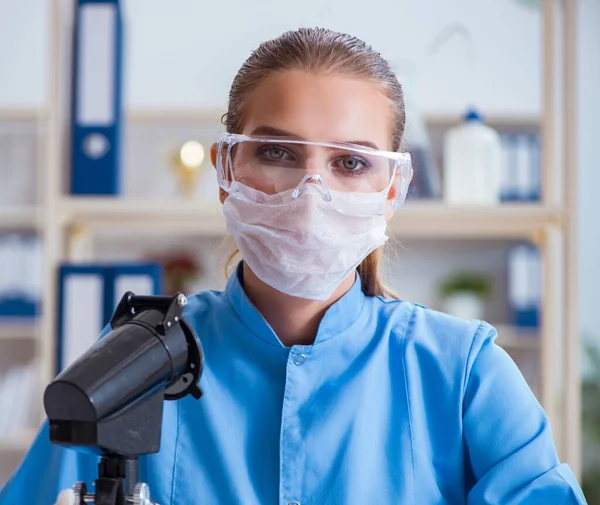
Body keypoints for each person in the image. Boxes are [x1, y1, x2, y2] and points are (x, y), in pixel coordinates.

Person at [0, 27, 587, 505]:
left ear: (393, 188)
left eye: (351, 163)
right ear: (226, 170)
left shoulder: (463, 373)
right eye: (277, 153)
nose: (311, 192)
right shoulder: (137, 360)